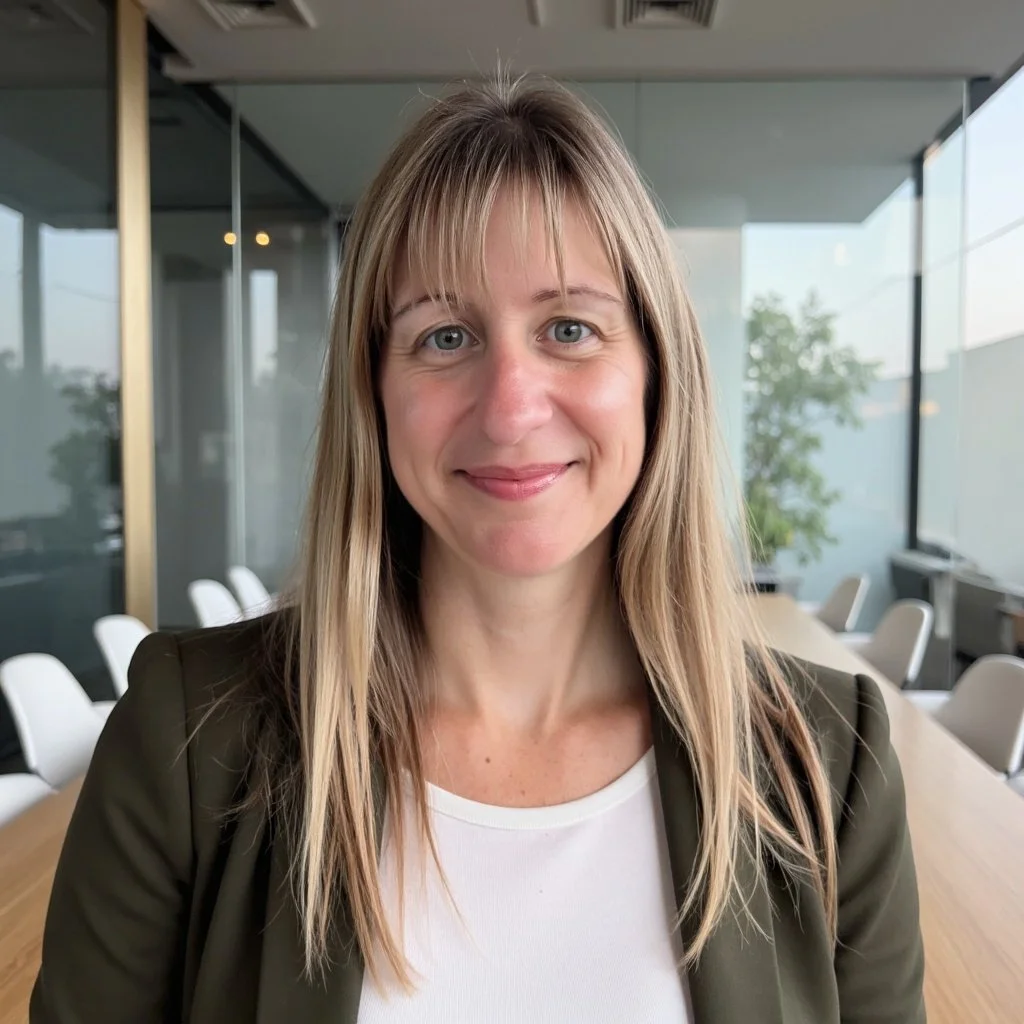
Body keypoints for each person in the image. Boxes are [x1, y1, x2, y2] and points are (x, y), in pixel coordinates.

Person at [31, 76, 924, 1024]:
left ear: (659, 373)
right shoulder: (187, 737)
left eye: (570, 328)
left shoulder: (828, 760)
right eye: (444, 335)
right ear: (374, 395)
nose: (509, 408)